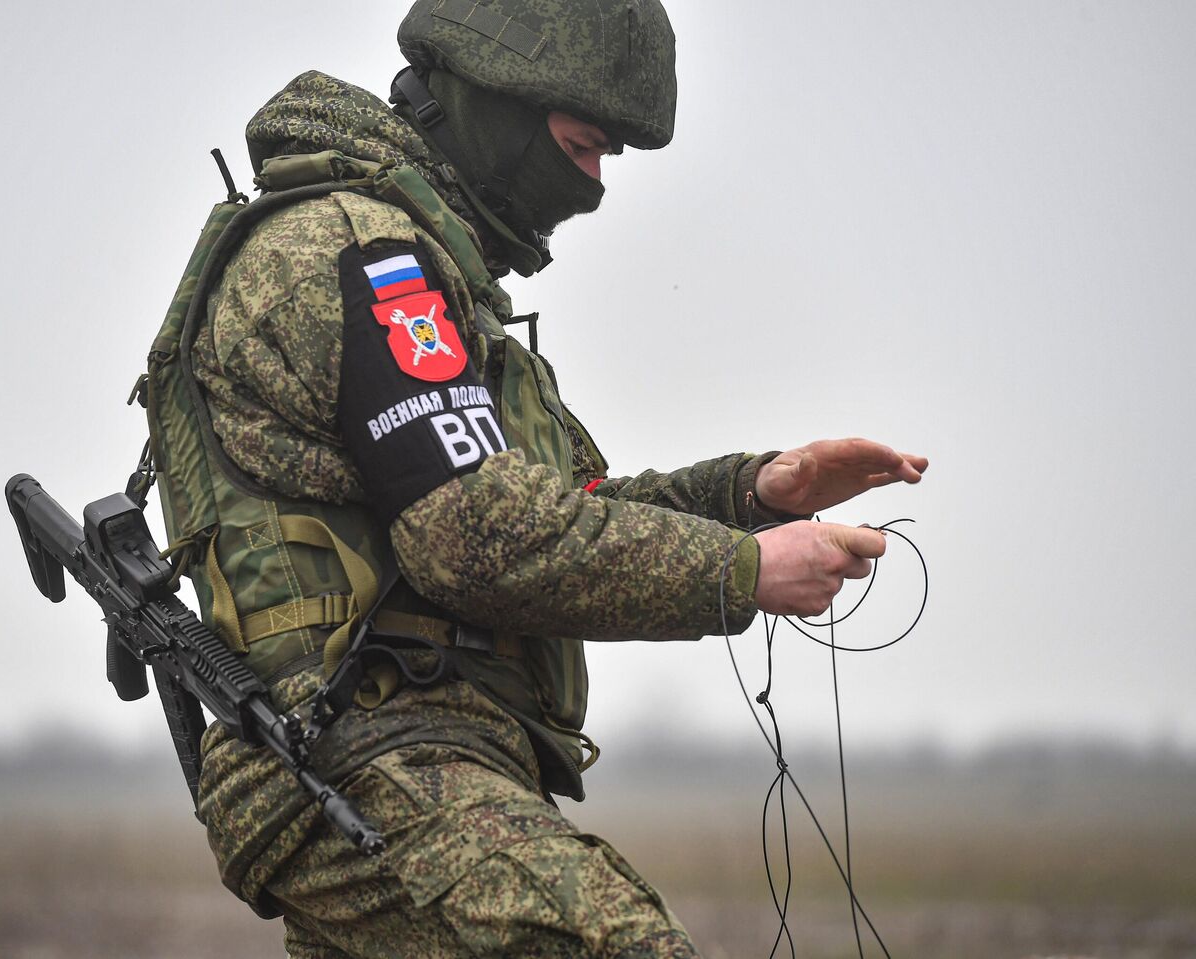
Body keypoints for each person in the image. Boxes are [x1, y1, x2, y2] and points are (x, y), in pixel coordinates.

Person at [164, 1, 928, 956]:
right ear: (499, 103)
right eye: (580, 145)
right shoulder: (360, 256)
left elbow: (566, 516)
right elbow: (480, 538)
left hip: (413, 761)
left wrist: (756, 492)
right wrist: (743, 568)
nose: (595, 184)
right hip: (363, 758)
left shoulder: (418, 272)